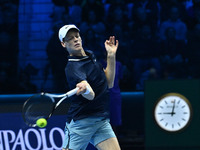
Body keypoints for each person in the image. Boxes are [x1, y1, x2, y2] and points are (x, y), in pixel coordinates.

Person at [58, 24, 120, 150]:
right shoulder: (72, 68)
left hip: (100, 120)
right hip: (81, 123)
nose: (75, 39)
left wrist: (111, 56)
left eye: (77, 36)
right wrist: (86, 89)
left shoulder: (90, 55)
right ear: (63, 44)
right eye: (70, 38)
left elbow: (109, 83)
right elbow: (91, 96)